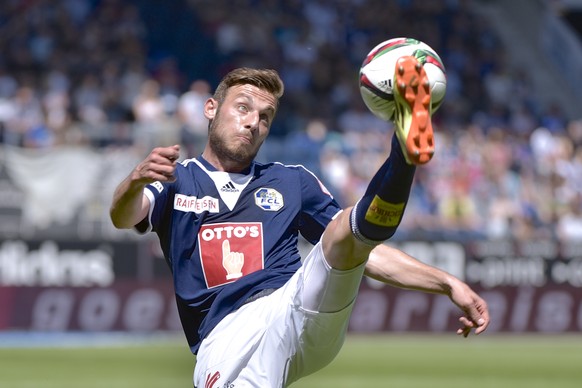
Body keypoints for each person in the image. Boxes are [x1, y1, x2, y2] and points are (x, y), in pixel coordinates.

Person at [110, 62, 489, 387]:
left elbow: (363, 252)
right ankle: (404, 152)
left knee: (344, 230)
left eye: (264, 118)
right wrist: (135, 180)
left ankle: (404, 153)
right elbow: (123, 216)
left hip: (297, 304)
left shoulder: (291, 181)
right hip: (225, 336)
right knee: (345, 233)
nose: (252, 122)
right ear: (211, 108)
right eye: (242, 108)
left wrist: (447, 282)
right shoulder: (175, 178)